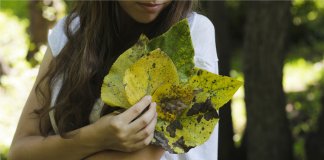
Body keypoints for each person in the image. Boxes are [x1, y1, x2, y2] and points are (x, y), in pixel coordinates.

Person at [9, 1, 219, 160]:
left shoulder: (192, 33)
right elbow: (20, 151)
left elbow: (144, 156)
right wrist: (95, 137)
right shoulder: (70, 31)